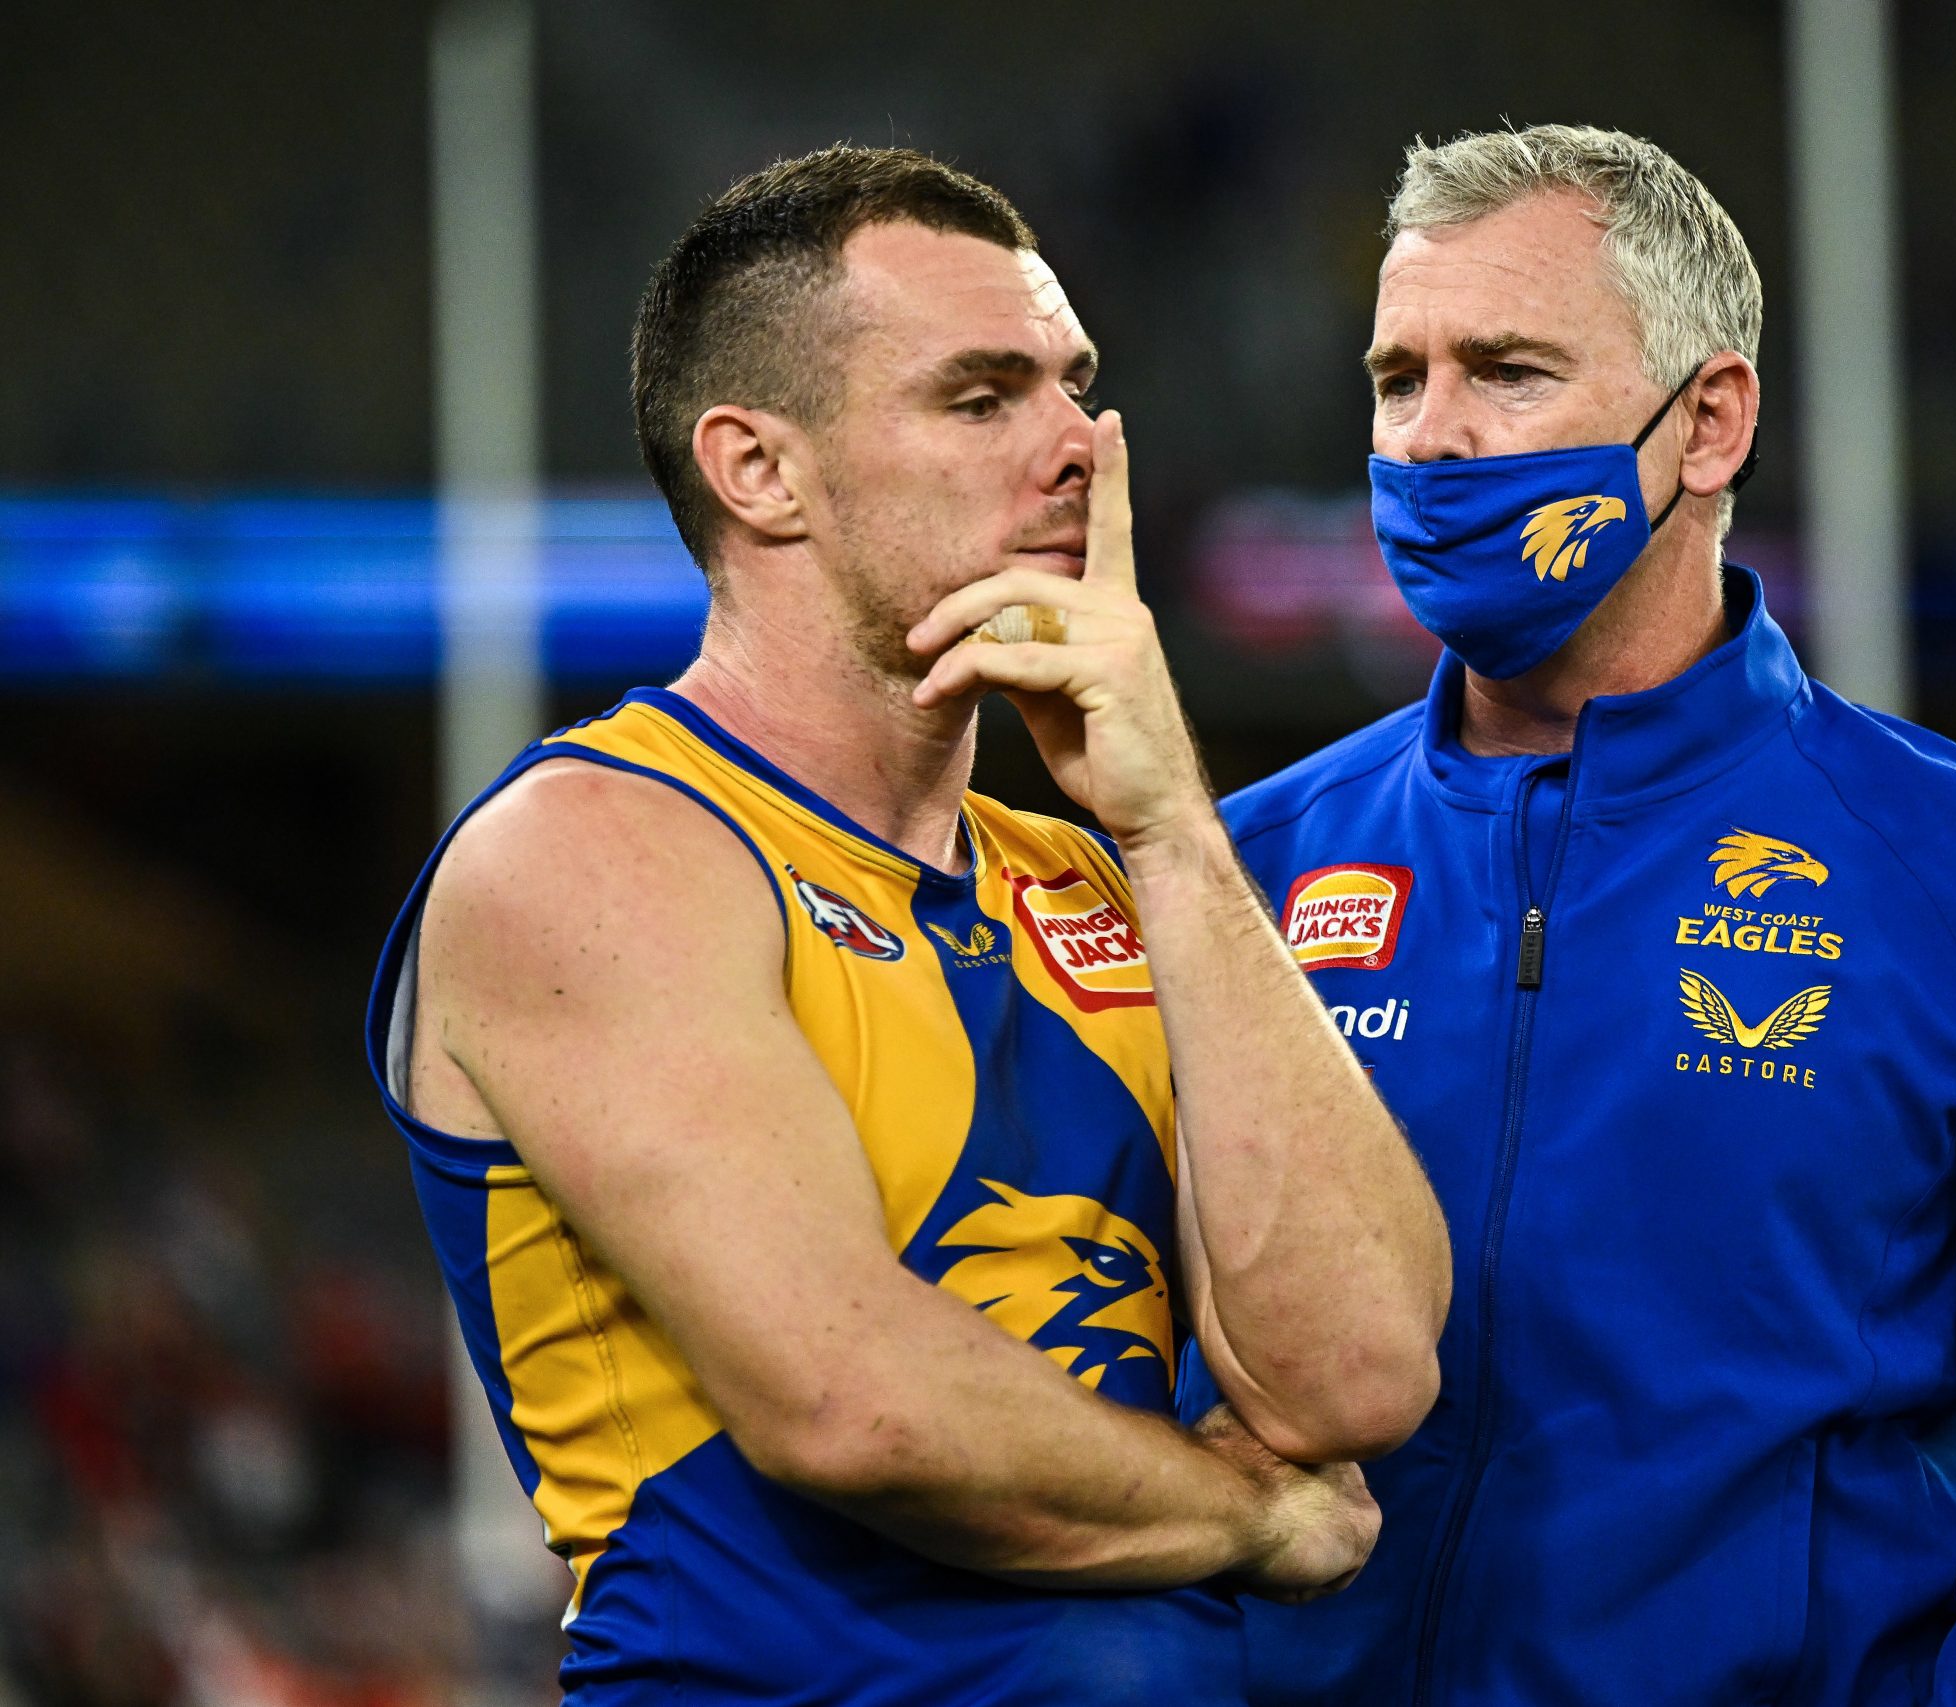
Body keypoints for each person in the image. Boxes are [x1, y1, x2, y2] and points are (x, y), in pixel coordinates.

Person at [362, 146, 1449, 1706]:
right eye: (981, 397)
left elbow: (1357, 1375)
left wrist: (1172, 833)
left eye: (1075, 387)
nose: (1077, 446)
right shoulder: (596, 850)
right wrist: (1251, 1514)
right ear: (760, 470)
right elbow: (848, 1400)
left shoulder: (1100, 877)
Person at [1179, 124, 1956, 1705]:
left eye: (1508, 372)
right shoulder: (1241, 871)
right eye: (1399, 378)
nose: (1433, 437)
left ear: (1711, 422)